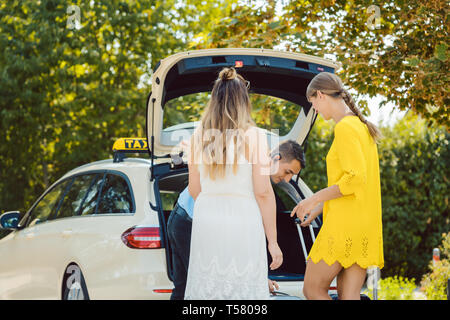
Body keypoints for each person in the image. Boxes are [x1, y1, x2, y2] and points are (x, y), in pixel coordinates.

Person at [184, 67, 283, 300]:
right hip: (243, 220)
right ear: (243, 102)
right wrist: (273, 242)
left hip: (206, 219)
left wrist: (214, 202)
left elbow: (193, 188)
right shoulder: (255, 136)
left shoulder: (198, 136)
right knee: (241, 287)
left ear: (214, 100)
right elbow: (264, 193)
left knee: (208, 287)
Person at [167, 139, 305, 299]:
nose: (287, 179)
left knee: (184, 288)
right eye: (288, 172)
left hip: (180, 217)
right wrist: (254, 278)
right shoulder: (255, 172)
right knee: (208, 286)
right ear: (277, 158)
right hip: (190, 223)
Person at [290, 72, 384, 300]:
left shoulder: (344, 128)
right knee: (348, 297)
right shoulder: (362, 127)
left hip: (344, 227)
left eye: (313, 104)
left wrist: (312, 199)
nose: (316, 110)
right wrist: (320, 208)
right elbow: (354, 187)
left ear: (320, 95)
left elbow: (353, 180)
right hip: (363, 226)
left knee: (312, 289)